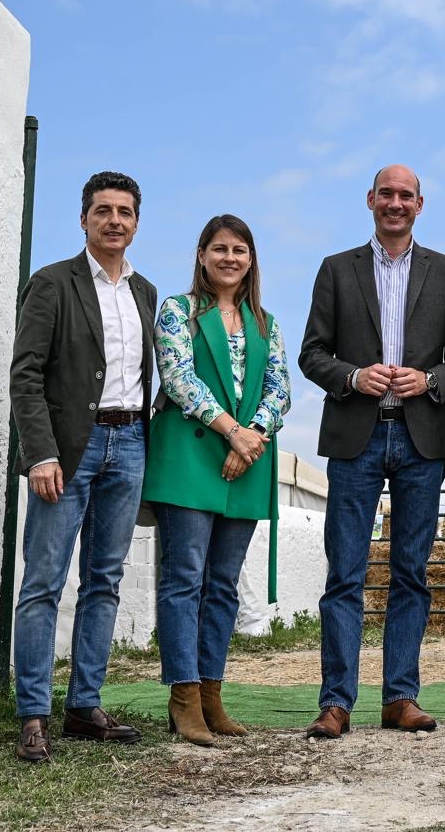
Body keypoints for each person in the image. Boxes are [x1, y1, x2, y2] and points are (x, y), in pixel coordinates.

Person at [299, 165, 445, 739]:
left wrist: (431, 381)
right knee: (345, 574)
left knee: (411, 575)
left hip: (422, 437)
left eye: (406, 196)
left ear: (421, 204)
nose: (395, 203)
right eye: (386, 194)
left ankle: (400, 697)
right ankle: (336, 703)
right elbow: (312, 353)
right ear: (370, 200)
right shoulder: (335, 269)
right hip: (356, 436)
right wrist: (350, 378)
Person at [9, 171, 157, 763]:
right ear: (84, 219)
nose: (114, 220)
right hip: (70, 450)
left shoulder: (145, 292)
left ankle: (84, 706)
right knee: (44, 581)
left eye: (124, 211)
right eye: (103, 210)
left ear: (137, 222)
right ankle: (33, 715)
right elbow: (25, 375)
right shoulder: (51, 284)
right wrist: (40, 452)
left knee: (105, 579)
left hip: (130, 446)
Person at [142, 215, 290, 745]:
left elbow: (281, 387)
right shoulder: (178, 311)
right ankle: (182, 698)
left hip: (246, 461)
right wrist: (232, 432)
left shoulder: (265, 323)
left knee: (223, 585)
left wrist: (252, 436)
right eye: (220, 249)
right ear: (202, 255)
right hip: (190, 454)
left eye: (240, 250)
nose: (230, 258)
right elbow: (178, 376)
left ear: (251, 260)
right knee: (184, 579)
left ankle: (211, 693)